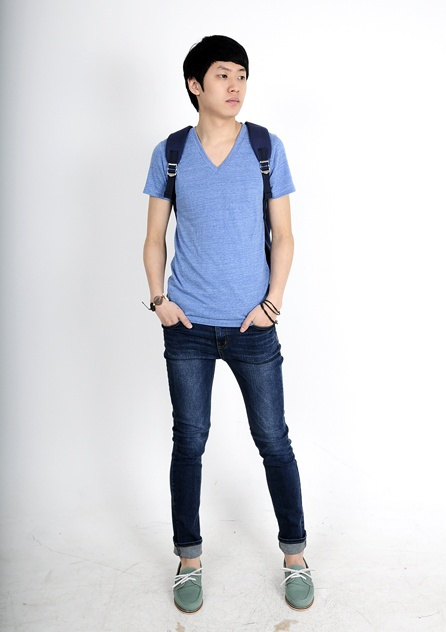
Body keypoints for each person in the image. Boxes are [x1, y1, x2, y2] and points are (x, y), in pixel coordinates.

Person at [143, 35, 314, 614]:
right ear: (196, 85)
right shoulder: (171, 152)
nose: (235, 85)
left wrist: (272, 304)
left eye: (241, 75)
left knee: (274, 441)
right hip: (187, 326)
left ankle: (295, 555)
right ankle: (189, 561)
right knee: (189, 442)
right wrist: (159, 300)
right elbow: (154, 238)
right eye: (222, 75)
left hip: (253, 327)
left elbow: (284, 236)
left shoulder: (265, 147)